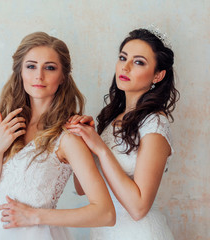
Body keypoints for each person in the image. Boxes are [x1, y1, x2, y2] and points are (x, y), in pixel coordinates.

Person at [0, 32, 115, 240]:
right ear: (20, 72)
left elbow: (105, 213)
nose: (38, 76)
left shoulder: (68, 137)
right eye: (31, 66)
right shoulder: (9, 129)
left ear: (63, 77)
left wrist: (34, 216)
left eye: (49, 68)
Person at [66, 28, 179, 239]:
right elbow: (81, 188)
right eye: (122, 58)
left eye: (138, 62)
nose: (125, 67)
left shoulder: (154, 124)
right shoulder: (111, 118)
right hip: (103, 231)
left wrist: (100, 148)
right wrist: (84, 141)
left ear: (158, 75)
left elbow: (138, 208)